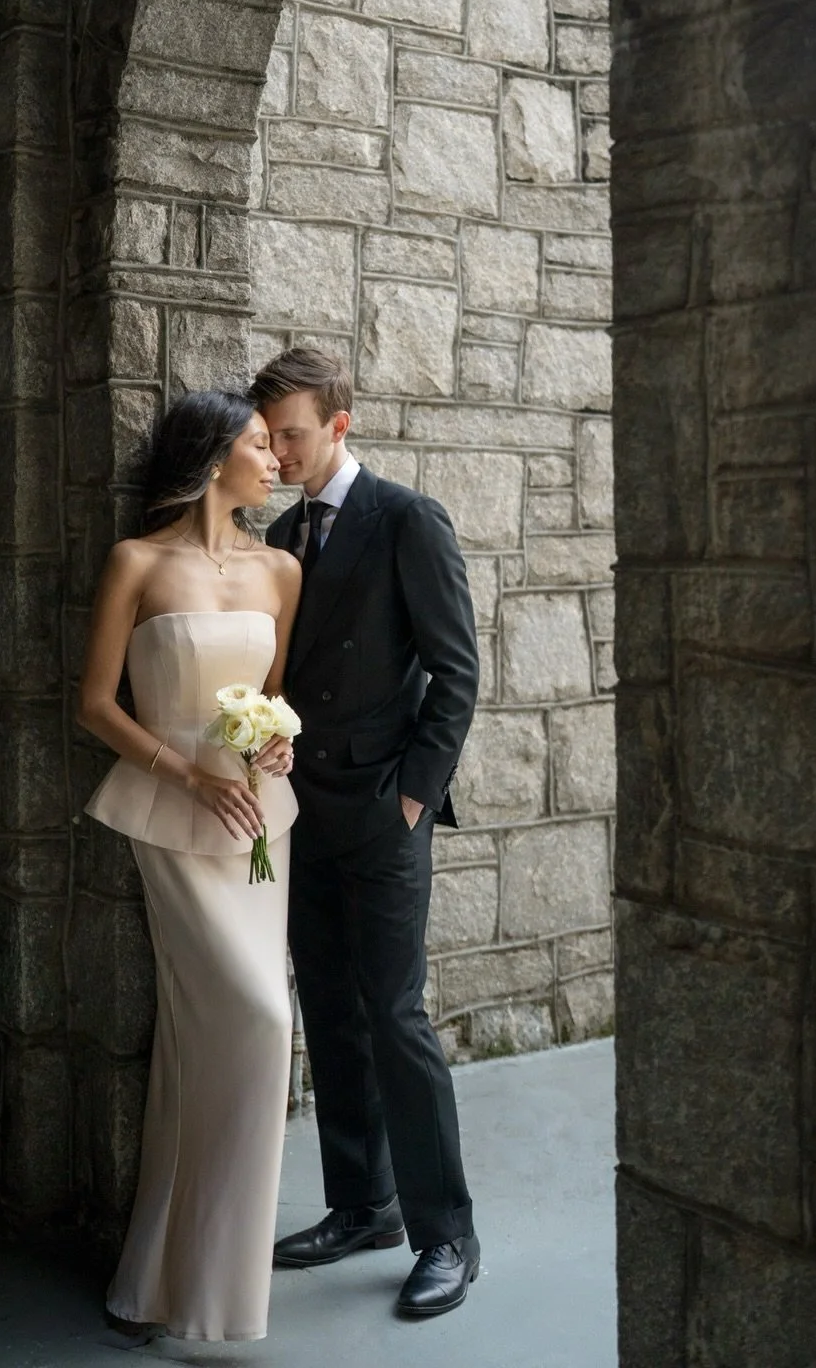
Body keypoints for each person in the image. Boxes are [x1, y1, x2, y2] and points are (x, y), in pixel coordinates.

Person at [251, 346, 482, 1320]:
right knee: (333, 1012)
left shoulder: (405, 519)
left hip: (383, 815)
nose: (283, 451)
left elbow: (456, 672)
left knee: (396, 1016)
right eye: (273, 436)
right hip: (307, 810)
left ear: (340, 423)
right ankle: (362, 1205)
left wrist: (412, 800)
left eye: (294, 433)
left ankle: (448, 1237)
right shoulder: (281, 531)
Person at [77, 389, 303, 1344]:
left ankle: (180, 1286)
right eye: (260, 445)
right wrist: (186, 775)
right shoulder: (137, 562)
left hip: (258, 825)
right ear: (215, 458)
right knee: (255, 1018)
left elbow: (274, 698)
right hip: (172, 818)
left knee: (227, 1040)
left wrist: (276, 750)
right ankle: (188, 1284)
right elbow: (93, 704)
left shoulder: (282, 569)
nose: (276, 461)